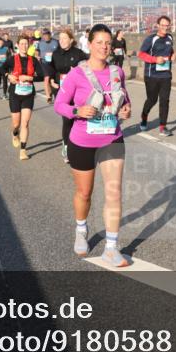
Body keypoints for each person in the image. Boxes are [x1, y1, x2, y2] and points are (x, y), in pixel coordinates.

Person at [54, 24, 132, 268]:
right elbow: (59, 104)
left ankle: (111, 248)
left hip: (112, 138)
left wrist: (126, 110)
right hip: (82, 141)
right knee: (84, 193)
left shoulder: (117, 72)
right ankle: (81, 229)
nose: (104, 47)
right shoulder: (77, 74)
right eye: (99, 42)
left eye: (108, 43)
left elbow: (125, 101)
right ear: (89, 44)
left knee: (114, 192)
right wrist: (77, 111)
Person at [5, 34, 45, 161]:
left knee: (25, 123)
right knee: (16, 123)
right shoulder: (12, 59)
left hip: (28, 94)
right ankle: (14, 133)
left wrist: (29, 77)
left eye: (26, 44)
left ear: (29, 45)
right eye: (22, 44)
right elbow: (1, 69)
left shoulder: (33, 60)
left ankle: (23, 150)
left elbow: (42, 76)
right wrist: (8, 76)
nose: (24, 46)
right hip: (15, 94)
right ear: (17, 45)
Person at [51, 29, 88, 163]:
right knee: (67, 119)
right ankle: (67, 147)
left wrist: (78, 71)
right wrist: (51, 80)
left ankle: (77, 145)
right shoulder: (55, 54)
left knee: (77, 119)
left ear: (71, 40)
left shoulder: (79, 54)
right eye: (60, 38)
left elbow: (88, 68)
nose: (61, 41)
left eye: (64, 38)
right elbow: (51, 70)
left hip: (77, 91)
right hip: (62, 91)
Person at [138, 15, 176, 137]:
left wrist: (173, 55)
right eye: (163, 25)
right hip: (151, 75)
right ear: (158, 25)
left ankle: (162, 127)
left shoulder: (170, 37)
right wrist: (155, 59)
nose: (165, 27)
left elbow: (170, 50)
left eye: (167, 25)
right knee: (152, 100)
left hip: (166, 75)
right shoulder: (151, 39)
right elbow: (141, 54)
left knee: (165, 100)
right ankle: (144, 116)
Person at [35, 29, 59, 103]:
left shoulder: (56, 42)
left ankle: (52, 93)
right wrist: (37, 56)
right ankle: (48, 96)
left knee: (53, 80)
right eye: (44, 35)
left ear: (50, 35)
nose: (46, 36)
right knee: (46, 78)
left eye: (47, 35)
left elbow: (60, 52)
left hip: (54, 63)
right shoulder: (40, 43)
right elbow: (36, 51)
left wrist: (54, 55)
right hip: (44, 63)